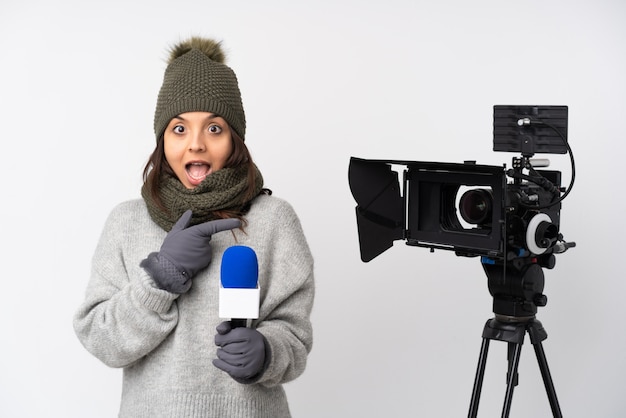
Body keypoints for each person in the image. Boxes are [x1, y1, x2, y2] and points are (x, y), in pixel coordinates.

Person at [73, 37, 315, 418]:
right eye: (180, 129)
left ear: (235, 138)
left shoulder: (273, 220)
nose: (196, 145)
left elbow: (294, 338)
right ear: (162, 139)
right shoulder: (127, 222)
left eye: (214, 129)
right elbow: (102, 339)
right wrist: (161, 278)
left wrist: (267, 352)